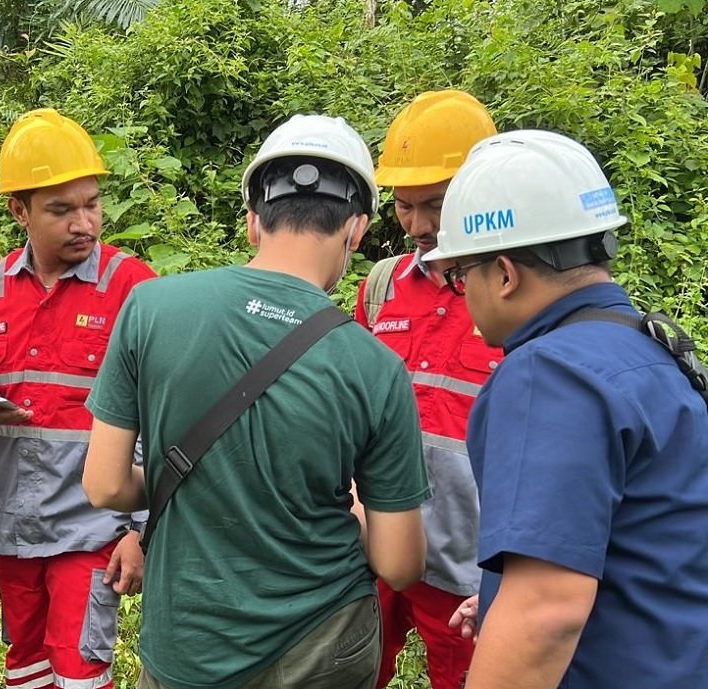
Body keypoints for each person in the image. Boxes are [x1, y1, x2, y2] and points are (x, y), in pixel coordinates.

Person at [83, 114, 430, 689]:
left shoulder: (149, 308)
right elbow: (399, 564)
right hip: (322, 643)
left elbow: (104, 484)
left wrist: (193, 473)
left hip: (189, 641)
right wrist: (359, 507)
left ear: (252, 220)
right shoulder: (376, 366)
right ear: (357, 229)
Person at [424, 129, 708, 689]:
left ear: (504, 274)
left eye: (461, 275)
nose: (463, 293)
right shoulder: (652, 348)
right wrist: (507, 591)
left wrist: (524, 604)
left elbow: (547, 613)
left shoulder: (547, 375)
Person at [0, 108, 157, 689]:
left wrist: (141, 528)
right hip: (15, 520)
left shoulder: (131, 285)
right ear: (20, 211)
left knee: (80, 669)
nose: (84, 223)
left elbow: (163, 413)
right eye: (62, 210)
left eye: (91, 204)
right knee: (25, 664)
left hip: (94, 525)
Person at [353, 90, 500, 689]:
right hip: (380, 551)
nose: (418, 226)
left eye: (435, 204)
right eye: (404, 207)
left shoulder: (517, 298)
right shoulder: (384, 288)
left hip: (470, 567)